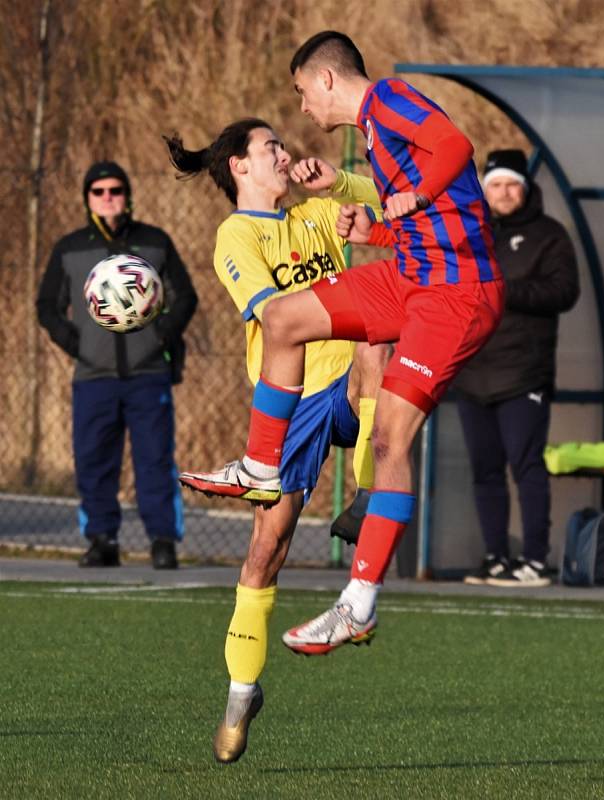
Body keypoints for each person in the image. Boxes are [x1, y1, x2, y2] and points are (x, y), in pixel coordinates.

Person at [189, 30, 504, 657]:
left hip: (456, 294)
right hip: (409, 275)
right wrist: (380, 230)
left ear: (326, 80)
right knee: (283, 320)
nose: (303, 109)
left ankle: (357, 604)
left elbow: (456, 146)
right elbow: (432, 225)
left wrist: (416, 193)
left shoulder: (387, 100)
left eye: (303, 92)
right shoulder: (371, 136)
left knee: (391, 434)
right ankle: (259, 464)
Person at [166, 119, 389, 763]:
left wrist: (339, 182)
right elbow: (272, 314)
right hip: (291, 405)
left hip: (344, 380)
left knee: (379, 340)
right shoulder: (236, 234)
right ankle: (241, 692)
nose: (285, 154)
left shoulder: (317, 210)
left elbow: (396, 202)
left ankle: (367, 498)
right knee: (268, 548)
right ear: (240, 166)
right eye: (271, 148)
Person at [37, 161, 198, 570]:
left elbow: (185, 298)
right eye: (99, 192)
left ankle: (162, 541)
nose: (108, 198)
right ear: (88, 198)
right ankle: (101, 539)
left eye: (116, 190)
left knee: (155, 460)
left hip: (148, 376)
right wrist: (76, 343)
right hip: (94, 377)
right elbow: (47, 306)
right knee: (93, 459)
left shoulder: (155, 242)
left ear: (128, 196)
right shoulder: (70, 248)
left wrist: (161, 334)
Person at [455, 149, 580, 587]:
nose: (503, 193)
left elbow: (564, 292)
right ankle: (495, 557)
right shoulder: (471, 232)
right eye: (495, 185)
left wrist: (503, 290)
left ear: (525, 189)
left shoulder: (550, 236)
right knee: (484, 470)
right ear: (484, 190)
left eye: (511, 185)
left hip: (523, 373)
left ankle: (534, 560)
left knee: (526, 467)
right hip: (471, 372)